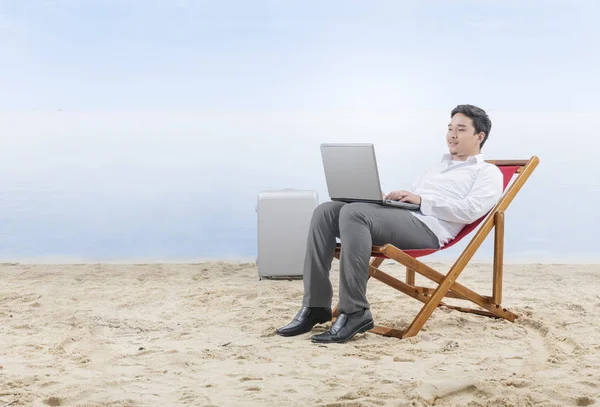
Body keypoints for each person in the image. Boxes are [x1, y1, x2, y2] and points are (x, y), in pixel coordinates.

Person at [276, 104, 504, 344]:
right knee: (326, 210)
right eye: (449, 128)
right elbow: (415, 195)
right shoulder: (438, 166)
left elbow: (470, 211)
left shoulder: (488, 173)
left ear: (479, 136)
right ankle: (315, 305)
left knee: (355, 214)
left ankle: (355, 311)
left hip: (430, 229)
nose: (452, 135)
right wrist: (390, 199)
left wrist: (422, 200)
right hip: (405, 216)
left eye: (460, 129)